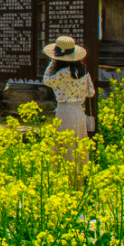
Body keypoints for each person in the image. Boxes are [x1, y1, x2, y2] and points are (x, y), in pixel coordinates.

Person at [42, 35, 94, 164]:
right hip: (78, 111)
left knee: (65, 146)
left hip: (64, 110)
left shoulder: (63, 72)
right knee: (78, 145)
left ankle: (65, 177)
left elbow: (47, 80)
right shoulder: (83, 71)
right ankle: (79, 177)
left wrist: (52, 63)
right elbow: (91, 92)